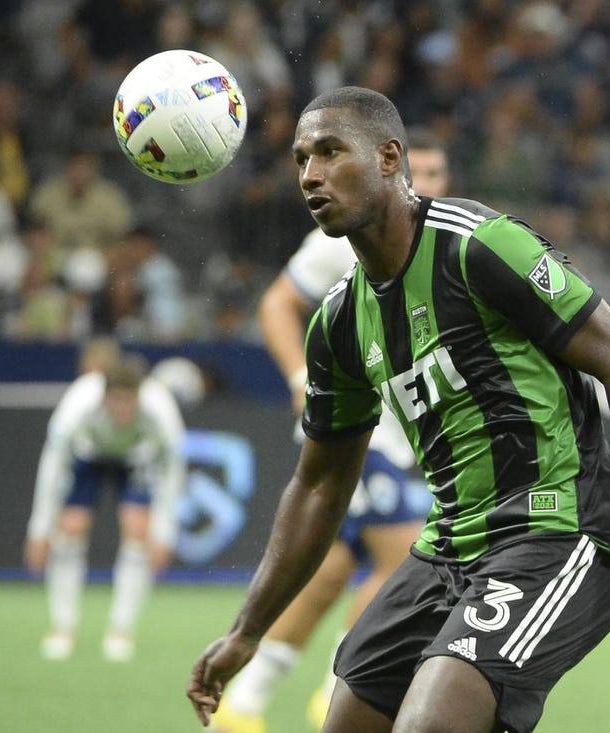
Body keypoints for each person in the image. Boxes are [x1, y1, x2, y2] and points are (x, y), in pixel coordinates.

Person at [189, 87, 610, 733]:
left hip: (560, 531)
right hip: (448, 547)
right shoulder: (338, 322)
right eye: (302, 158)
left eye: (332, 152)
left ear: (390, 158)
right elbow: (320, 481)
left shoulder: (479, 247)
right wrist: (247, 630)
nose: (311, 174)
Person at [210, 128, 451, 733]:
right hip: (358, 438)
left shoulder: (446, 242)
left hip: (403, 438)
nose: (424, 180)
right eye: (415, 167)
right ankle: (341, 691)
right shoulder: (347, 237)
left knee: (327, 578)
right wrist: (299, 376)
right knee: (404, 562)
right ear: (388, 167)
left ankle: (244, 705)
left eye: (436, 171)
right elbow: (275, 305)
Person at [24, 345, 186, 662]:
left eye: (131, 402)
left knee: (138, 531)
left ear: (140, 396)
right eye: (117, 401)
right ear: (104, 396)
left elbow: (171, 472)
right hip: (88, 456)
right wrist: (39, 529)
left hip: (136, 458)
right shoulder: (77, 407)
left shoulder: (161, 412)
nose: (124, 411)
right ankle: (63, 628)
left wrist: (165, 533)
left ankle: (120, 631)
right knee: (70, 529)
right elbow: (52, 469)